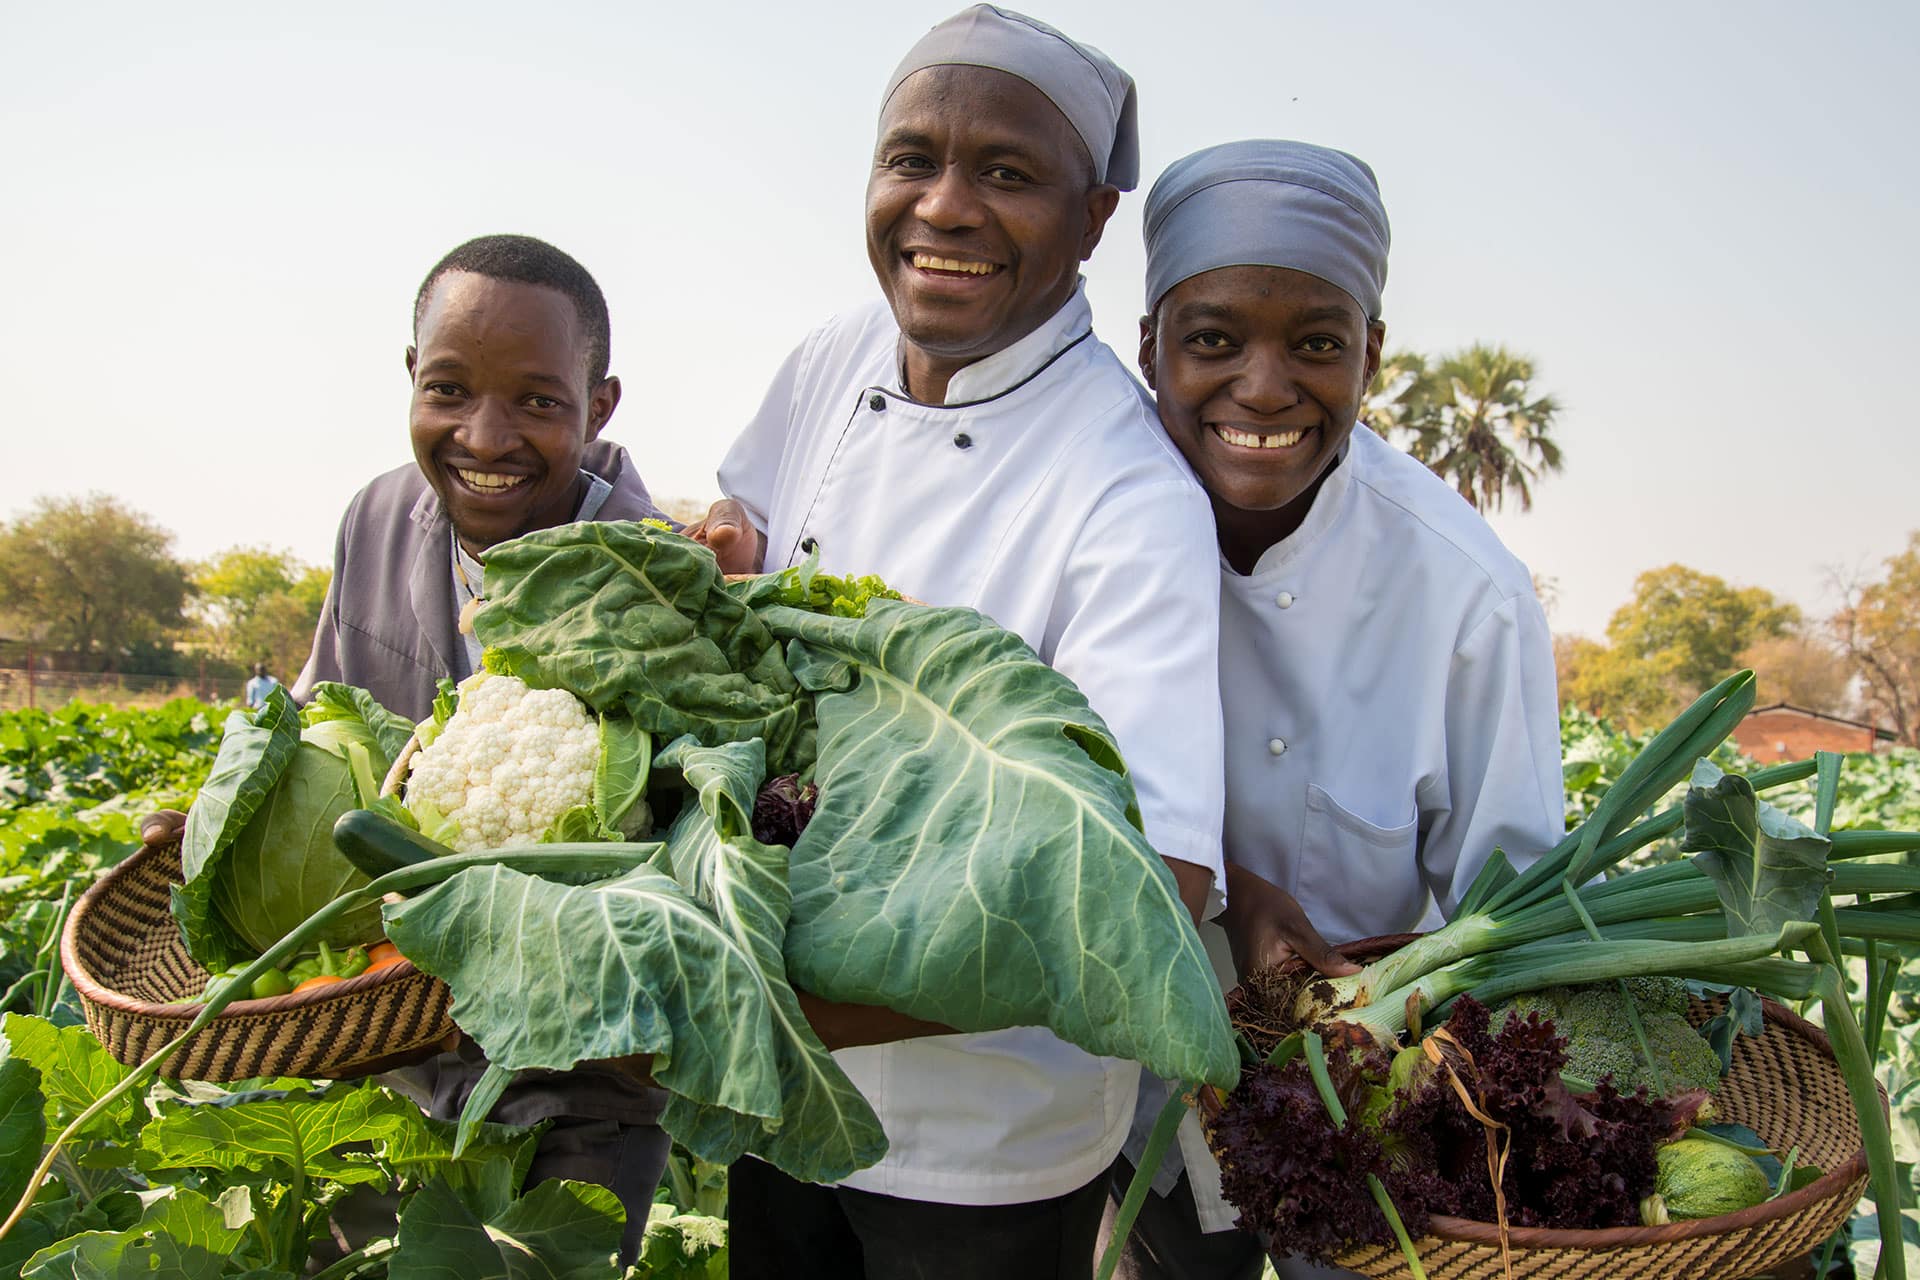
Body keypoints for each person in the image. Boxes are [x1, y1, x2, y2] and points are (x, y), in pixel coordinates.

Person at [686, 7, 1227, 1278]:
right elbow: (744, 522)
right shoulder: (834, 355)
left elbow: (1151, 885)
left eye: (1007, 172)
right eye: (910, 159)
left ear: (1094, 219)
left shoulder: (1128, 495)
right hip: (776, 1109)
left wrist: (763, 1007)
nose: (943, 207)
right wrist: (714, 549)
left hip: (986, 1149)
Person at [144, 234, 673, 1263]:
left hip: (576, 1079)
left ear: (599, 406)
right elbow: (314, 709)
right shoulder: (377, 515)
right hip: (374, 1045)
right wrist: (218, 816)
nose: (486, 434)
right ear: (410, 377)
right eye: (449, 388)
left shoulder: (652, 583)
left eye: (537, 400)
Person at [1097, 139, 1568, 1280]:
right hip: (1128, 1097)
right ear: (1149, 342)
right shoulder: (1085, 522)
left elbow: (1511, 915)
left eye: (1317, 342)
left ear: (1374, 355)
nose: (1263, 388)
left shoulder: (1467, 596)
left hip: (1369, 1119)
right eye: (1212, 339)